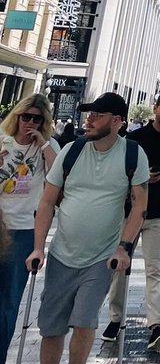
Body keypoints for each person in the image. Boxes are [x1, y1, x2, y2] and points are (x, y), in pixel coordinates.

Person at [26, 91, 150, 364]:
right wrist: (38, 248)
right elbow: (47, 202)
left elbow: (140, 206)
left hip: (102, 258)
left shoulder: (132, 154)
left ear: (117, 121)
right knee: (51, 327)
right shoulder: (72, 151)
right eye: (89, 114)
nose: (89, 119)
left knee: (84, 322)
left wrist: (124, 247)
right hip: (61, 255)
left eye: (97, 115)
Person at [105, 90, 160, 352]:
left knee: (154, 269)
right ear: (155, 108)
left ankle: (155, 325)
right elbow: (119, 174)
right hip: (130, 213)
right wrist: (139, 181)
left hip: (159, 214)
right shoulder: (135, 138)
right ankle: (115, 319)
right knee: (119, 266)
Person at [0, 93, 59, 361]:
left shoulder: (48, 147)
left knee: (8, 302)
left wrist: (43, 143)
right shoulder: (2, 141)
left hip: (24, 229)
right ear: (17, 116)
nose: (30, 123)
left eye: (38, 119)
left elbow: (58, 177)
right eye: (26, 117)